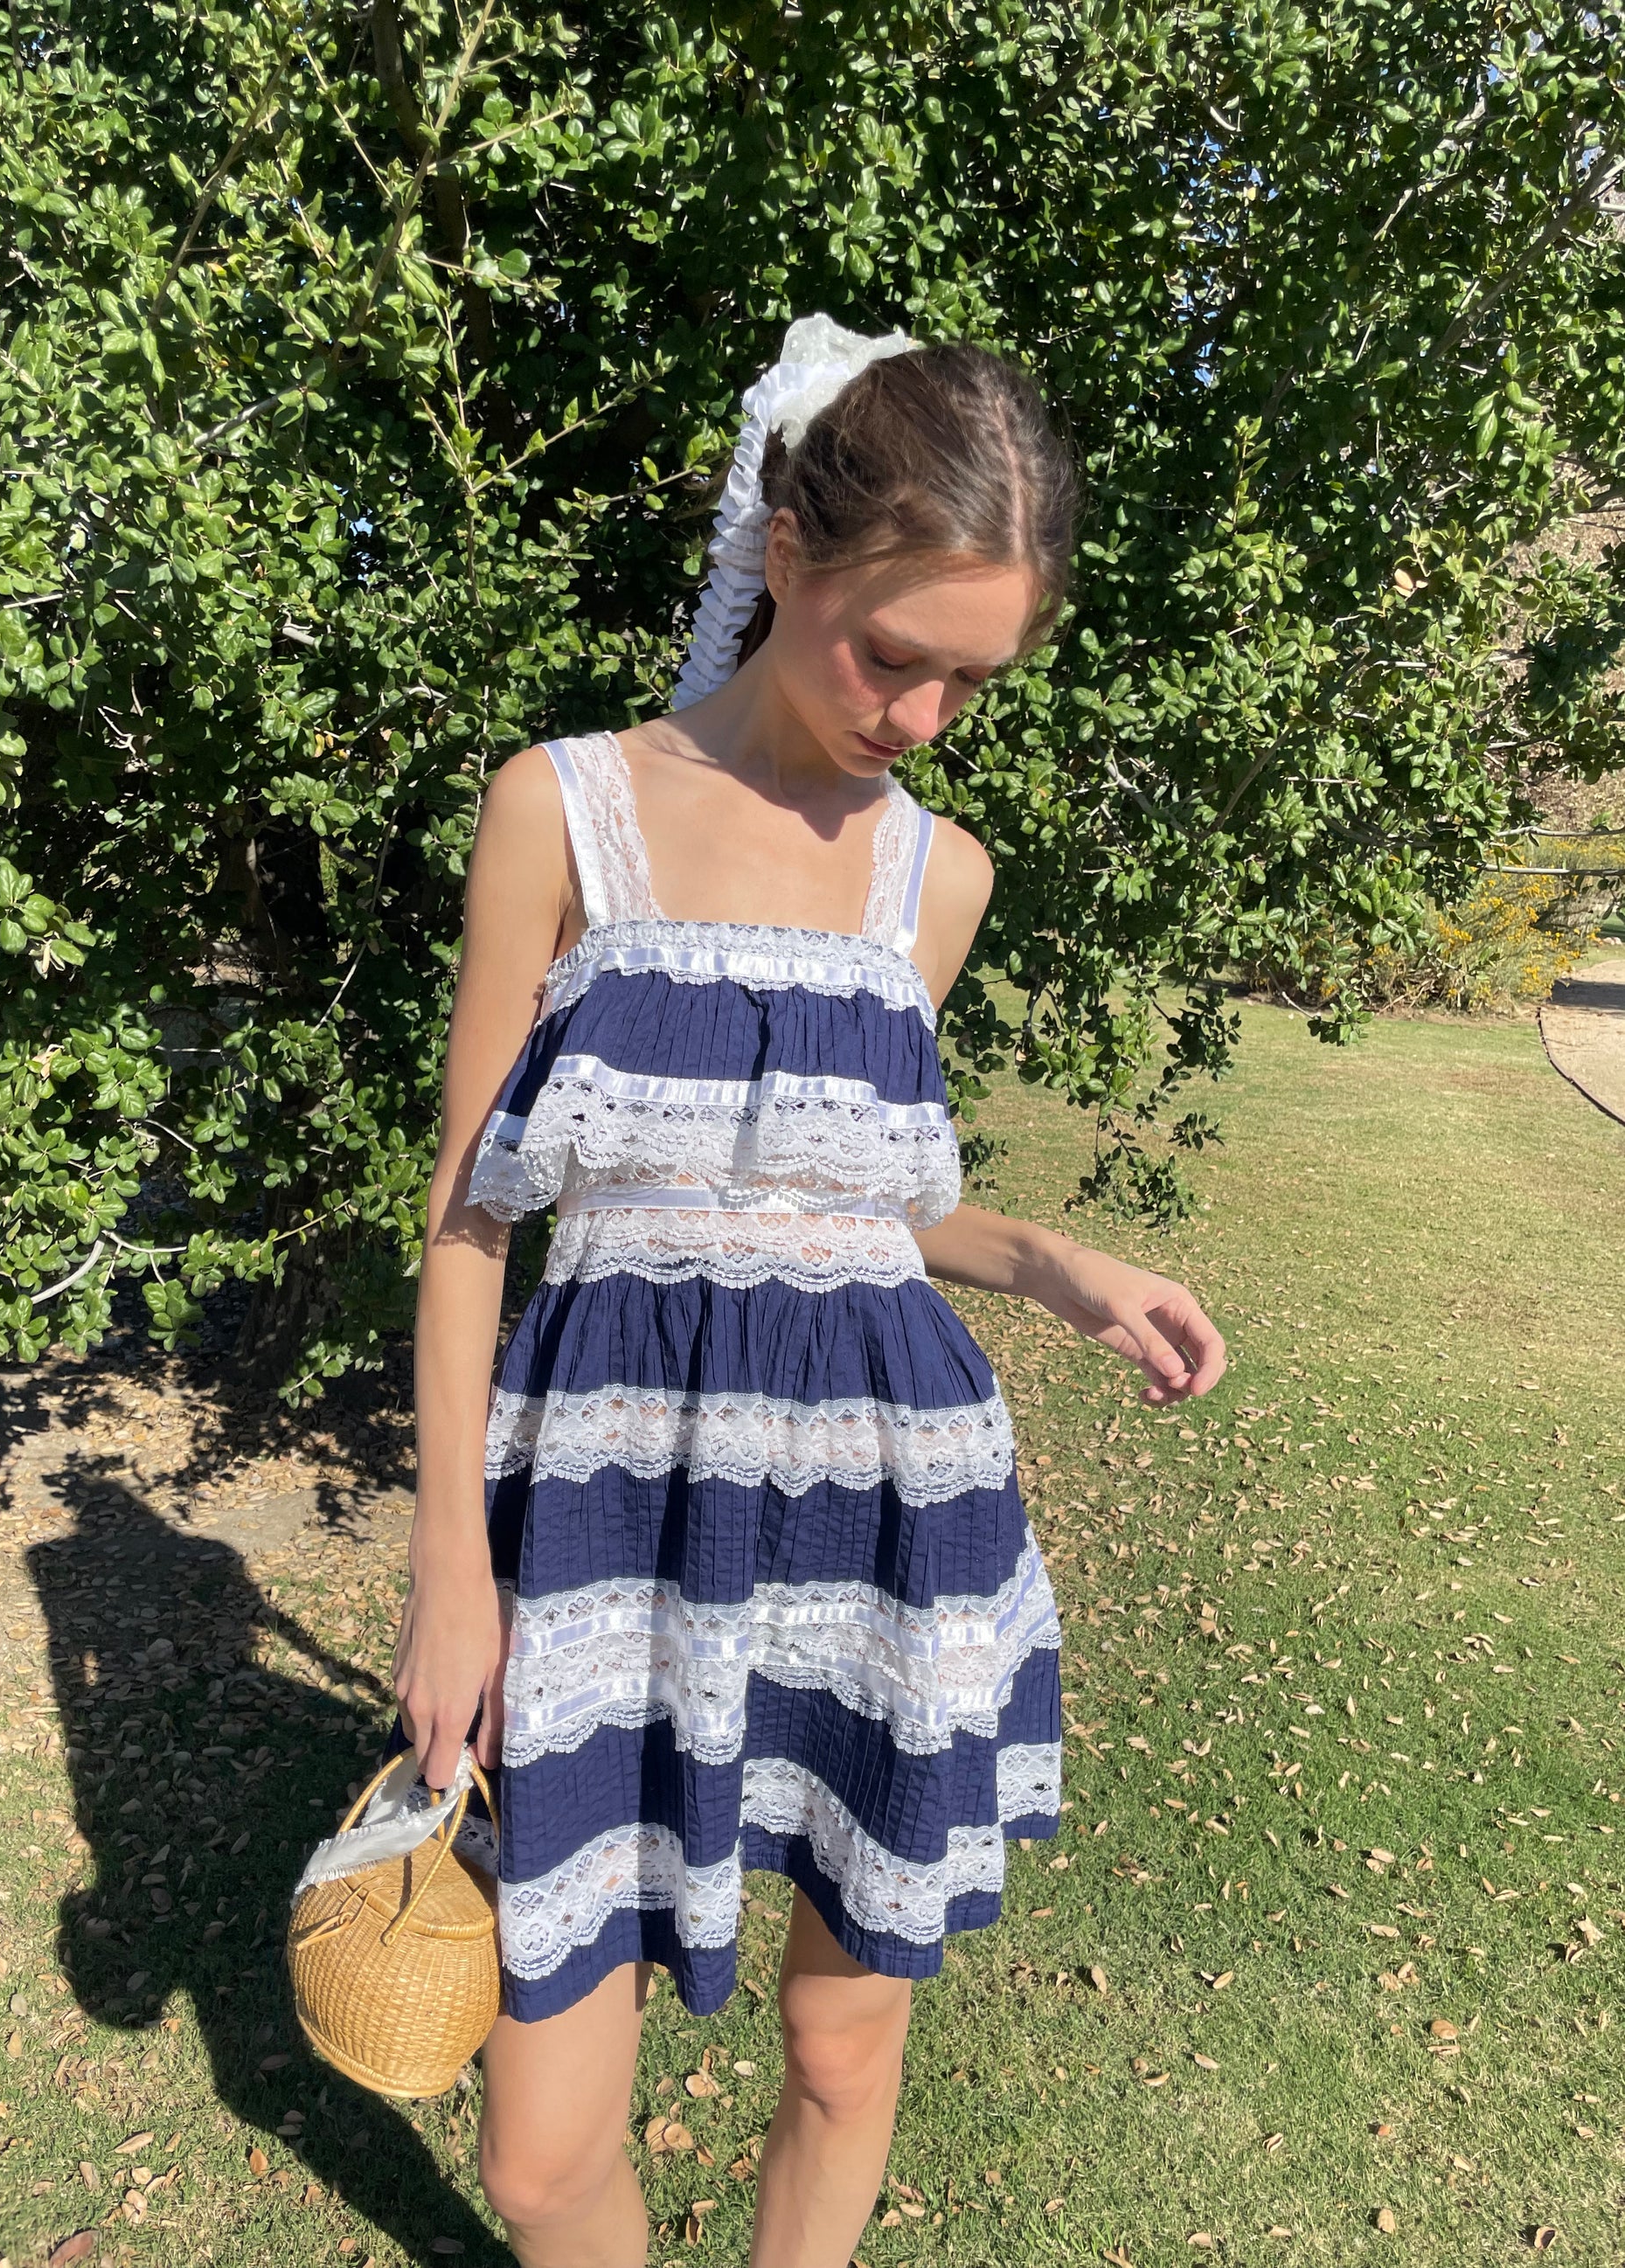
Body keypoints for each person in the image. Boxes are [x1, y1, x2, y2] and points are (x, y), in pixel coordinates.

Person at [392, 316, 1226, 2268]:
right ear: (788, 550)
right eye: (892, 651)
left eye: (971, 679)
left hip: (883, 1510)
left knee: (844, 2056)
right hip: (602, 1513)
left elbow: (830, 1193)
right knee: (537, 2151)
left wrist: (1047, 1257)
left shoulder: (931, 880)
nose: (920, 715)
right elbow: (465, 1219)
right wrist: (452, 1565)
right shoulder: (565, 811)